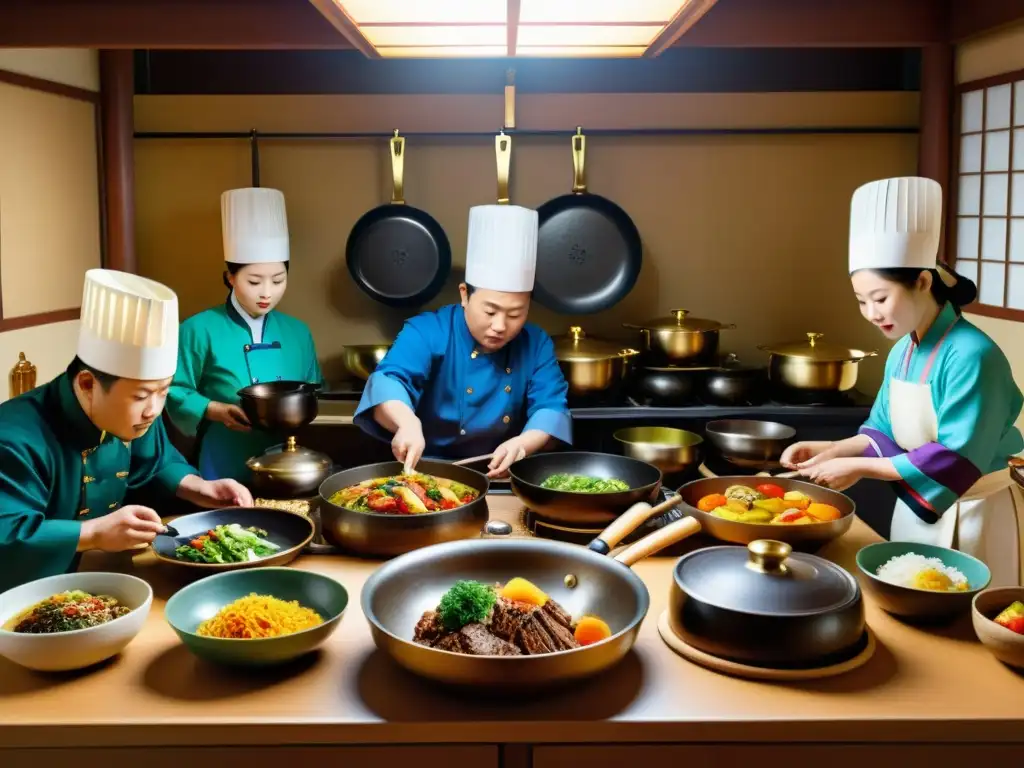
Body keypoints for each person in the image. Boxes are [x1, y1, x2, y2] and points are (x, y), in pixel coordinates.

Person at [782, 176, 1024, 586]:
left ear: (924, 282)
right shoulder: (903, 350)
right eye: (862, 301)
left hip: (976, 511)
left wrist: (858, 466)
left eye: (880, 298)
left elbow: (956, 457)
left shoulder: (972, 354)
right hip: (918, 507)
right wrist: (831, 450)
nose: (872, 313)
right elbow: (881, 429)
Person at [0, 269, 253, 593]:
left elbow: (155, 462)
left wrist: (200, 487)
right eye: (141, 395)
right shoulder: (14, 438)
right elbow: (8, 535)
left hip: (93, 580)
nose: (154, 409)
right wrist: (93, 534)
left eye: (162, 391)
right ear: (88, 385)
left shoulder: (133, 415)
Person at [353, 203, 572, 478]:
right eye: (490, 311)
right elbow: (389, 381)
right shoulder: (427, 331)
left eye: (516, 313)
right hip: (427, 473)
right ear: (464, 294)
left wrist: (522, 445)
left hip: (501, 475)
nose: (500, 326)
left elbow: (550, 407)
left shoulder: (536, 342)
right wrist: (407, 423)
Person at [166, 187, 322, 482]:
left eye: (278, 280)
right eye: (254, 281)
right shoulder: (197, 329)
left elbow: (313, 388)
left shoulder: (299, 332)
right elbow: (172, 390)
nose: (267, 293)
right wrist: (213, 409)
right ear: (230, 277)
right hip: (225, 452)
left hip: (287, 457)